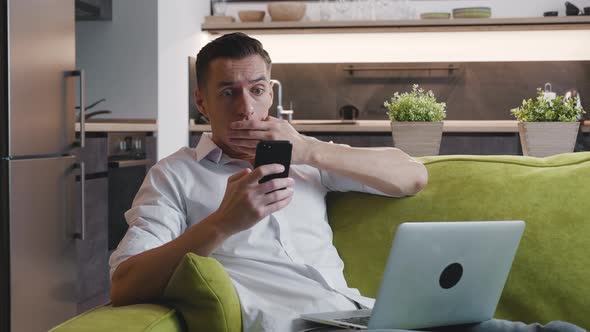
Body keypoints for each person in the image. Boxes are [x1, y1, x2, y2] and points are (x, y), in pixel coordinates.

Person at [108, 33, 584, 332]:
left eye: (256, 90)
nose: (246, 109)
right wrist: (222, 224)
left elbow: (412, 177)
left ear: (270, 92)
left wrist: (309, 150)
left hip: (362, 315)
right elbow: (124, 285)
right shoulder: (174, 175)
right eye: (228, 93)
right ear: (202, 103)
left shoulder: (307, 156)